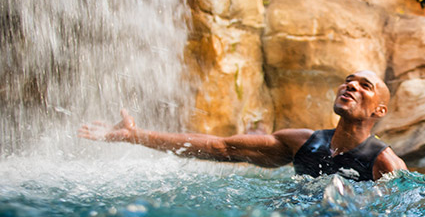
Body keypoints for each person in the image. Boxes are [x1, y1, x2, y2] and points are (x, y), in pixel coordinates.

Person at [78, 70, 407, 181]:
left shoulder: (385, 163)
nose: (350, 86)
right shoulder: (301, 143)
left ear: (379, 109)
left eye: (365, 85)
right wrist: (135, 137)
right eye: (348, 81)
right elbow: (219, 147)